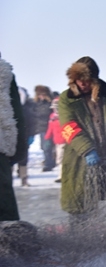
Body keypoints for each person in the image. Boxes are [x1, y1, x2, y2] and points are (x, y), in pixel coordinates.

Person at [58, 56, 106, 231]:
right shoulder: (67, 98)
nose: (83, 83)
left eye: (87, 79)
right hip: (82, 159)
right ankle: (81, 239)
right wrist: (87, 150)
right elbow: (68, 126)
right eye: (79, 79)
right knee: (80, 202)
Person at [0, 52, 27, 221]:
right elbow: (17, 115)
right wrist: (18, 150)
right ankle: (10, 240)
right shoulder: (4, 75)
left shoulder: (5, 76)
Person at [28, 85, 56, 171]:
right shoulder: (35, 103)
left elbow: (49, 114)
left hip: (50, 127)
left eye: (43, 94)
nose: (42, 96)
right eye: (40, 94)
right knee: (44, 147)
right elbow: (32, 114)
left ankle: (49, 163)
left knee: (48, 146)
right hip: (41, 128)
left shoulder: (50, 103)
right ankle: (49, 161)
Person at [44, 96, 65, 183]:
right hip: (57, 141)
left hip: (65, 141)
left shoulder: (65, 116)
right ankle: (61, 175)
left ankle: (62, 176)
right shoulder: (52, 117)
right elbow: (50, 128)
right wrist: (47, 138)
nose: (55, 109)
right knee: (59, 159)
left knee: (62, 159)